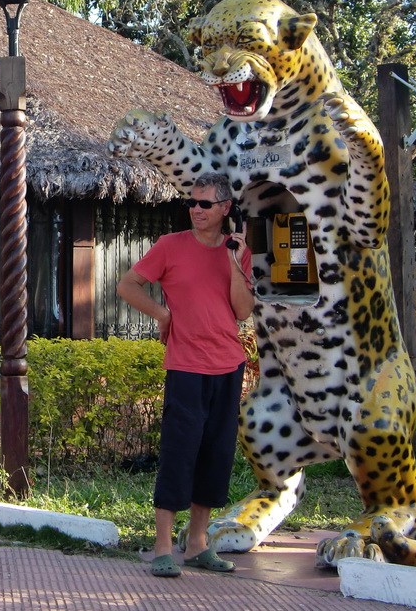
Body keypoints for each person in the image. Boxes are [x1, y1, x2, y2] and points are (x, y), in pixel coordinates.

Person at [116, 172, 253, 578]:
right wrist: (163, 314)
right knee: (179, 454)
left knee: (215, 455)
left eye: (205, 204)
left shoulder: (237, 252)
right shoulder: (169, 246)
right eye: (192, 203)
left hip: (228, 365)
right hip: (186, 367)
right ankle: (162, 547)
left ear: (226, 208)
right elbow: (128, 285)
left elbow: (243, 311)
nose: (196, 209)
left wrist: (233, 259)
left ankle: (197, 545)